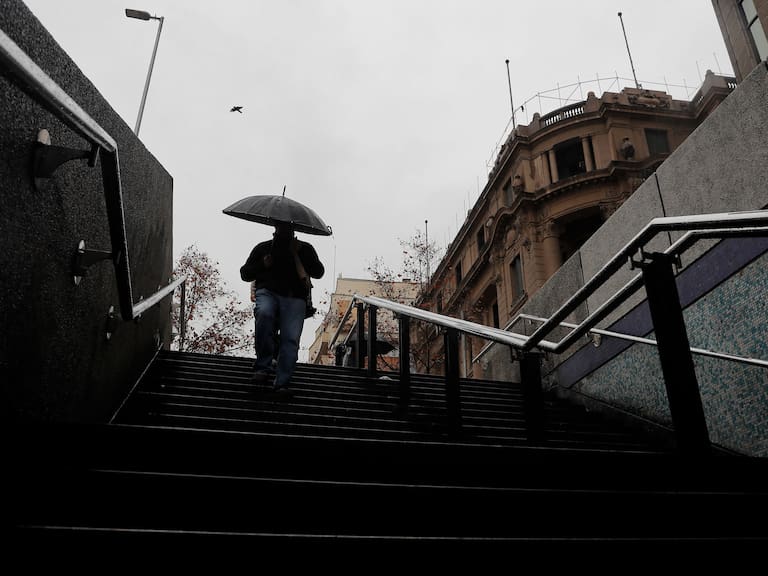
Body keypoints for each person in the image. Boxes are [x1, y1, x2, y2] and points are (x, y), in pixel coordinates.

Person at [240, 222, 324, 399]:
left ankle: (282, 381)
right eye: (281, 228)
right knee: (264, 314)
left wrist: (298, 253)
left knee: (290, 338)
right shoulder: (264, 248)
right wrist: (263, 264)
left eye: (287, 229)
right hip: (268, 292)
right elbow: (245, 273)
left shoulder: (304, 249)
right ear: (275, 229)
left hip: (295, 297)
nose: (284, 232)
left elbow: (318, 272)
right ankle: (263, 367)